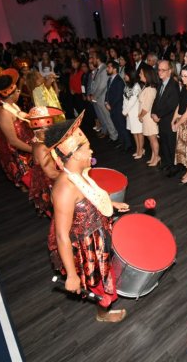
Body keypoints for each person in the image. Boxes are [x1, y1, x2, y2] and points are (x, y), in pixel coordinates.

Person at [45, 113, 129, 323]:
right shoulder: (64, 189)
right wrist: (72, 276)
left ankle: (104, 308)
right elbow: (62, 236)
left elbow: (92, 194)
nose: (91, 151)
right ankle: (103, 314)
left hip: (98, 234)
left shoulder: (80, 172)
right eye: (86, 148)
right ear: (73, 155)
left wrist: (111, 204)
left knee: (105, 277)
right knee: (102, 287)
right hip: (87, 246)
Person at [0, 68, 33, 189]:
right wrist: (34, 150)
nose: (19, 92)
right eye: (17, 90)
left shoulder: (9, 104)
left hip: (25, 146)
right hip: (17, 152)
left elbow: (19, 114)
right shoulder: (3, 112)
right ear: (10, 94)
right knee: (32, 184)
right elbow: (13, 141)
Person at [27, 106, 64, 217]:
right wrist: (73, 177)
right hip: (51, 184)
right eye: (50, 127)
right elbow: (51, 173)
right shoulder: (42, 147)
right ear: (43, 129)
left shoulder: (36, 140)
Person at [151, 60, 180, 173]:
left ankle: (174, 167)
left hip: (169, 120)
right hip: (161, 120)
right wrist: (153, 112)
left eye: (163, 70)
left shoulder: (173, 84)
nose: (160, 72)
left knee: (171, 144)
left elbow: (172, 104)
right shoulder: (161, 84)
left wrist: (158, 115)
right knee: (164, 143)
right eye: (159, 69)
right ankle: (167, 163)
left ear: (170, 71)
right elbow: (156, 100)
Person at [105, 60, 132, 151]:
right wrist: (106, 102)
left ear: (115, 69)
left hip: (118, 107)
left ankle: (128, 144)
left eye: (109, 67)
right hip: (112, 107)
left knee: (121, 126)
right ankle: (122, 142)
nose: (107, 69)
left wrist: (110, 105)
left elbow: (118, 96)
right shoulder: (110, 79)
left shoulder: (119, 81)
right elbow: (107, 92)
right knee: (117, 125)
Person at [138, 64, 160, 166]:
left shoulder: (150, 89)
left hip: (149, 118)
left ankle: (157, 157)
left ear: (147, 75)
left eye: (141, 73)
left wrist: (140, 115)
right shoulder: (146, 87)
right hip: (147, 118)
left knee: (153, 140)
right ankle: (153, 157)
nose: (139, 74)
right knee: (151, 140)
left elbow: (146, 107)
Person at [122, 68, 144, 158]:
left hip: (135, 113)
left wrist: (124, 111)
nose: (124, 76)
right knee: (134, 132)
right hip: (129, 114)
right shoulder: (127, 86)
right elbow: (124, 99)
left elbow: (133, 100)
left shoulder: (136, 86)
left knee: (139, 132)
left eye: (126, 75)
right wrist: (124, 110)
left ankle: (141, 150)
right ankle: (138, 149)